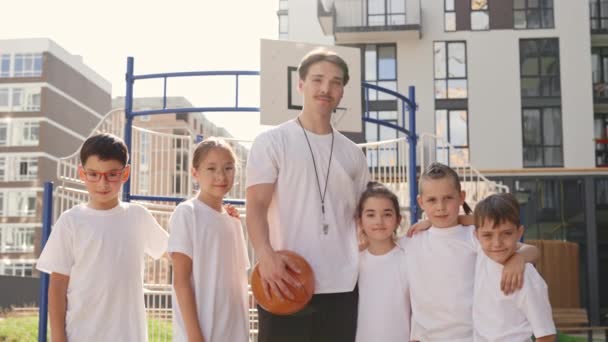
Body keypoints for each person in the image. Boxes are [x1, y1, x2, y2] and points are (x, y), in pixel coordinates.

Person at [246, 47, 369, 341]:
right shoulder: (271, 142)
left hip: (342, 287)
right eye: (317, 79)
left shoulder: (353, 154)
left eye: (336, 82)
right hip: (285, 281)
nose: (326, 88)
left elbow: (367, 218)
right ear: (300, 85)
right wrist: (266, 256)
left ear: (342, 92)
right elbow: (256, 207)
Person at [36, 133, 168, 342]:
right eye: (94, 174)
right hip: (81, 335)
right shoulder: (71, 221)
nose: (102, 183)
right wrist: (58, 338)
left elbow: (177, 252)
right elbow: (57, 286)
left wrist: (220, 212)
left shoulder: (138, 217)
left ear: (126, 174)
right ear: (82, 173)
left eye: (112, 174)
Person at [400, 162, 538, 341]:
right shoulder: (412, 241)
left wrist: (517, 259)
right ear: (421, 202)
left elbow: (533, 251)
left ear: (461, 197)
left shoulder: (475, 236)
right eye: (432, 200)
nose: (440, 207)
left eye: (448, 198)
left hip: (473, 337)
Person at [168, 137, 250, 342]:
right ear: (195, 172)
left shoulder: (232, 221)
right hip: (202, 333)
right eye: (211, 168)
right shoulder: (187, 213)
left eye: (228, 168)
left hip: (233, 332)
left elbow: (238, 282)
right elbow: (181, 281)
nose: (221, 176)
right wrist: (195, 336)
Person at [472, 193, 556, 342]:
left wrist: (519, 257)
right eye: (488, 235)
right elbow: (456, 221)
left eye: (506, 233)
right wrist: (426, 224)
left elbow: (546, 336)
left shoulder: (528, 278)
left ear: (519, 233)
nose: (497, 243)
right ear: (476, 235)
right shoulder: (482, 255)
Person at [355, 182, 410, 342]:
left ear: (398, 219)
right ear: (360, 221)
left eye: (387, 214)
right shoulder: (354, 262)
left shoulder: (408, 255)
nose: (379, 221)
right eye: (371, 214)